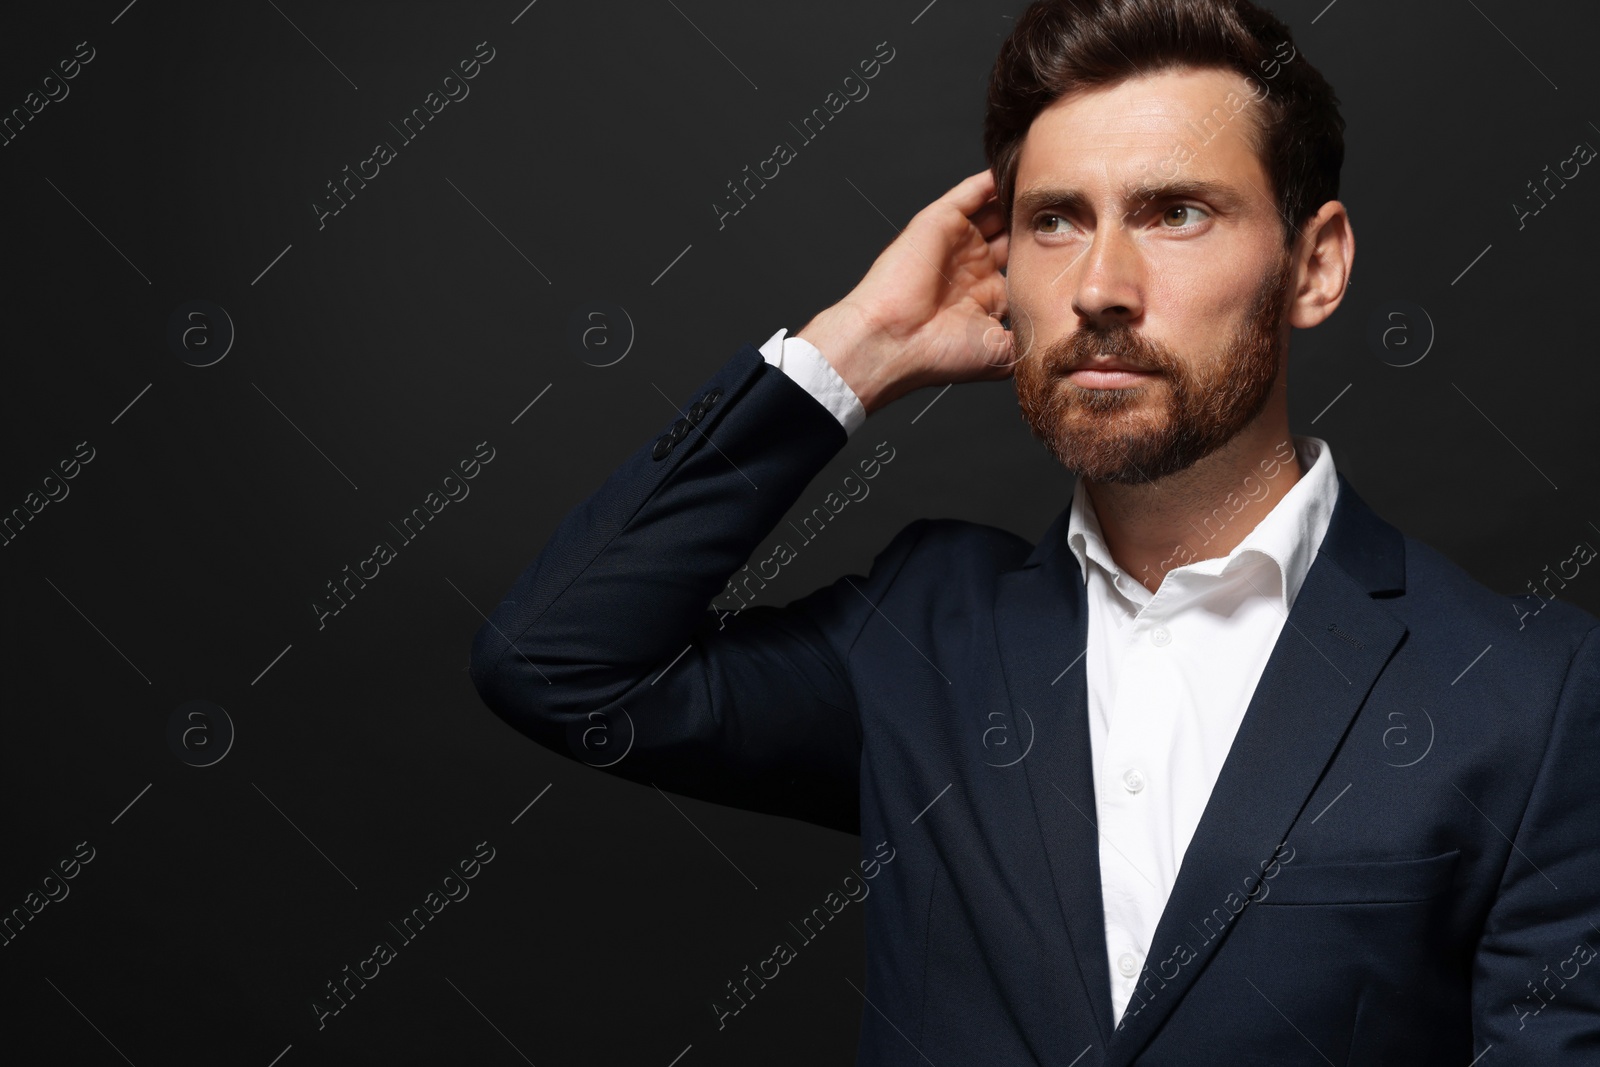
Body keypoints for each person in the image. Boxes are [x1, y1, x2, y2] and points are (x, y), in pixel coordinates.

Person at [469, 0, 1600, 1062]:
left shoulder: (1529, 694)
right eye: (1054, 221)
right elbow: (559, 664)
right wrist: (855, 349)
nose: (1100, 285)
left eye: (1175, 212)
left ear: (1315, 264)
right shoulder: (924, 633)